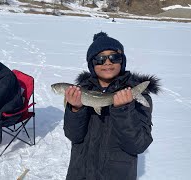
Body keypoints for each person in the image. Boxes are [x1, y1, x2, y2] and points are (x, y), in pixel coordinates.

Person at [63, 32, 160, 180]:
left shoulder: (134, 96)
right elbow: (73, 136)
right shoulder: (81, 91)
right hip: (79, 174)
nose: (107, 62)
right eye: (100, 58)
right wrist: (76, 109)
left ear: (122, 61)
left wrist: (123, 110)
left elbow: (138, 145)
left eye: (114, 57)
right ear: (92, 63)